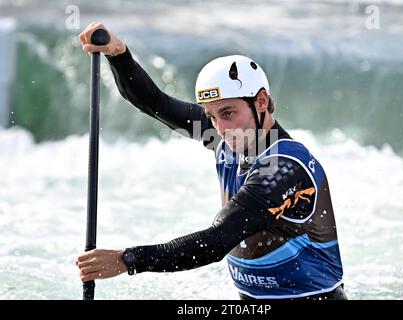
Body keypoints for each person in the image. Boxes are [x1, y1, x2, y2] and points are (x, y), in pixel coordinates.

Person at [76, 22, 347, 300]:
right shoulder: (225, 135)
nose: (219, 127)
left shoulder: (282, 167)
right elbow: (154, 102)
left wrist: (127, 260)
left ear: (262, 101)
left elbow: (216, 242)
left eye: (228, 113)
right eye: (212, 115)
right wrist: (118, 54)